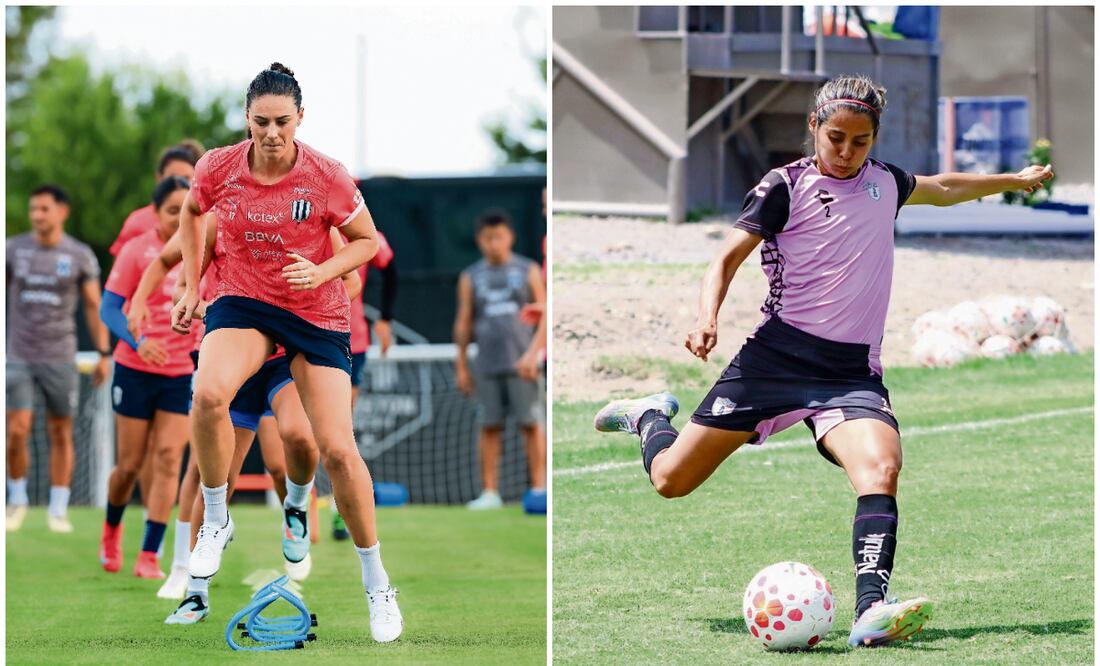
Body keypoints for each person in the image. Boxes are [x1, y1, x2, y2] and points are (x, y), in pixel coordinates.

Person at [592, 74, 1055, 649]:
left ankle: (871, 610)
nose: (845, 151)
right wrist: (707, 317)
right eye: (835, 137)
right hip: (775, 358)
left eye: (859, 142)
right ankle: (649, 418)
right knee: (670, 480)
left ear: (874, 140)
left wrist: (1013, 179)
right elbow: (725, 258)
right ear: (813, 127)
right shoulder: (783, 186)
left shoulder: (885, 183)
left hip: (849, 372)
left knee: (881, 467)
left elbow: (944, 187)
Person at [171, 62, 402, 642]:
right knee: (207, 394)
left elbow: (369, 243)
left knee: (338, 452)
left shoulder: (327, 175)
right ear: (246, 119)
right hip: (244, 300)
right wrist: (192, 286)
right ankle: (216, 520)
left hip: (314, 311)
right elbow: (192, 212)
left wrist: (321, 270)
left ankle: (376, 584)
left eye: (282, 121)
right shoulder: (217, 167)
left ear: (301, 118)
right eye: (260, 122)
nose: (271, 133)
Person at [98, 176, 198, 578]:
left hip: (180, 373)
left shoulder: (201, 249)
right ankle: (111, 530)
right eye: (171, 210)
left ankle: (149, 555)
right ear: (154, 212)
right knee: (129, 466)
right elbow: (109, 310)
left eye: (184, 210)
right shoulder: (138, 252)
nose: (179, 218)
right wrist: (138, 344)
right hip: (135, 370)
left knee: (170, 457)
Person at [6, 184, 111, 533]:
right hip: (19, 354)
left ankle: (57, 509)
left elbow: (94, 305)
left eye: (44, 209)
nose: (37, 215)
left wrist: (103, 352)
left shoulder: (79, 255)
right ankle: (17, 500)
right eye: (33, 208)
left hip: (61, 355)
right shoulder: (13, 249)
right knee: (17, 431)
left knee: (61, 430)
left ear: (61, 212)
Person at [454, 209, 546, 510]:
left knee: (530, 424)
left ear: (510, 237)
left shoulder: (527, 269)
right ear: (480, 241)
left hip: (523, 364)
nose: (494, 243)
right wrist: (462, 365)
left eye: (499, 237)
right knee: (489, 426)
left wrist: (534, 354)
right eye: (487, 238)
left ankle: (539, 488)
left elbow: (545, 311)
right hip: (487, 364)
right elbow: (465, 321)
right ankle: (490, 492)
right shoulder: (471, 276)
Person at [333, 229, 397, 540]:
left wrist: (385, 318)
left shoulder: (367, 234)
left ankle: (339, 509)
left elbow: (390, 269)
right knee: (298, 432)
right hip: (299, 334)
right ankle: (297, 503)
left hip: (349, 339)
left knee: (339, 430)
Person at [110, 141, 204, 257]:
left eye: (186, 178)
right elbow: (121, 268)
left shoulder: (207, 220)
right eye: (172, 177)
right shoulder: (137, 221)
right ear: (159, 178)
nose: (179, 183)